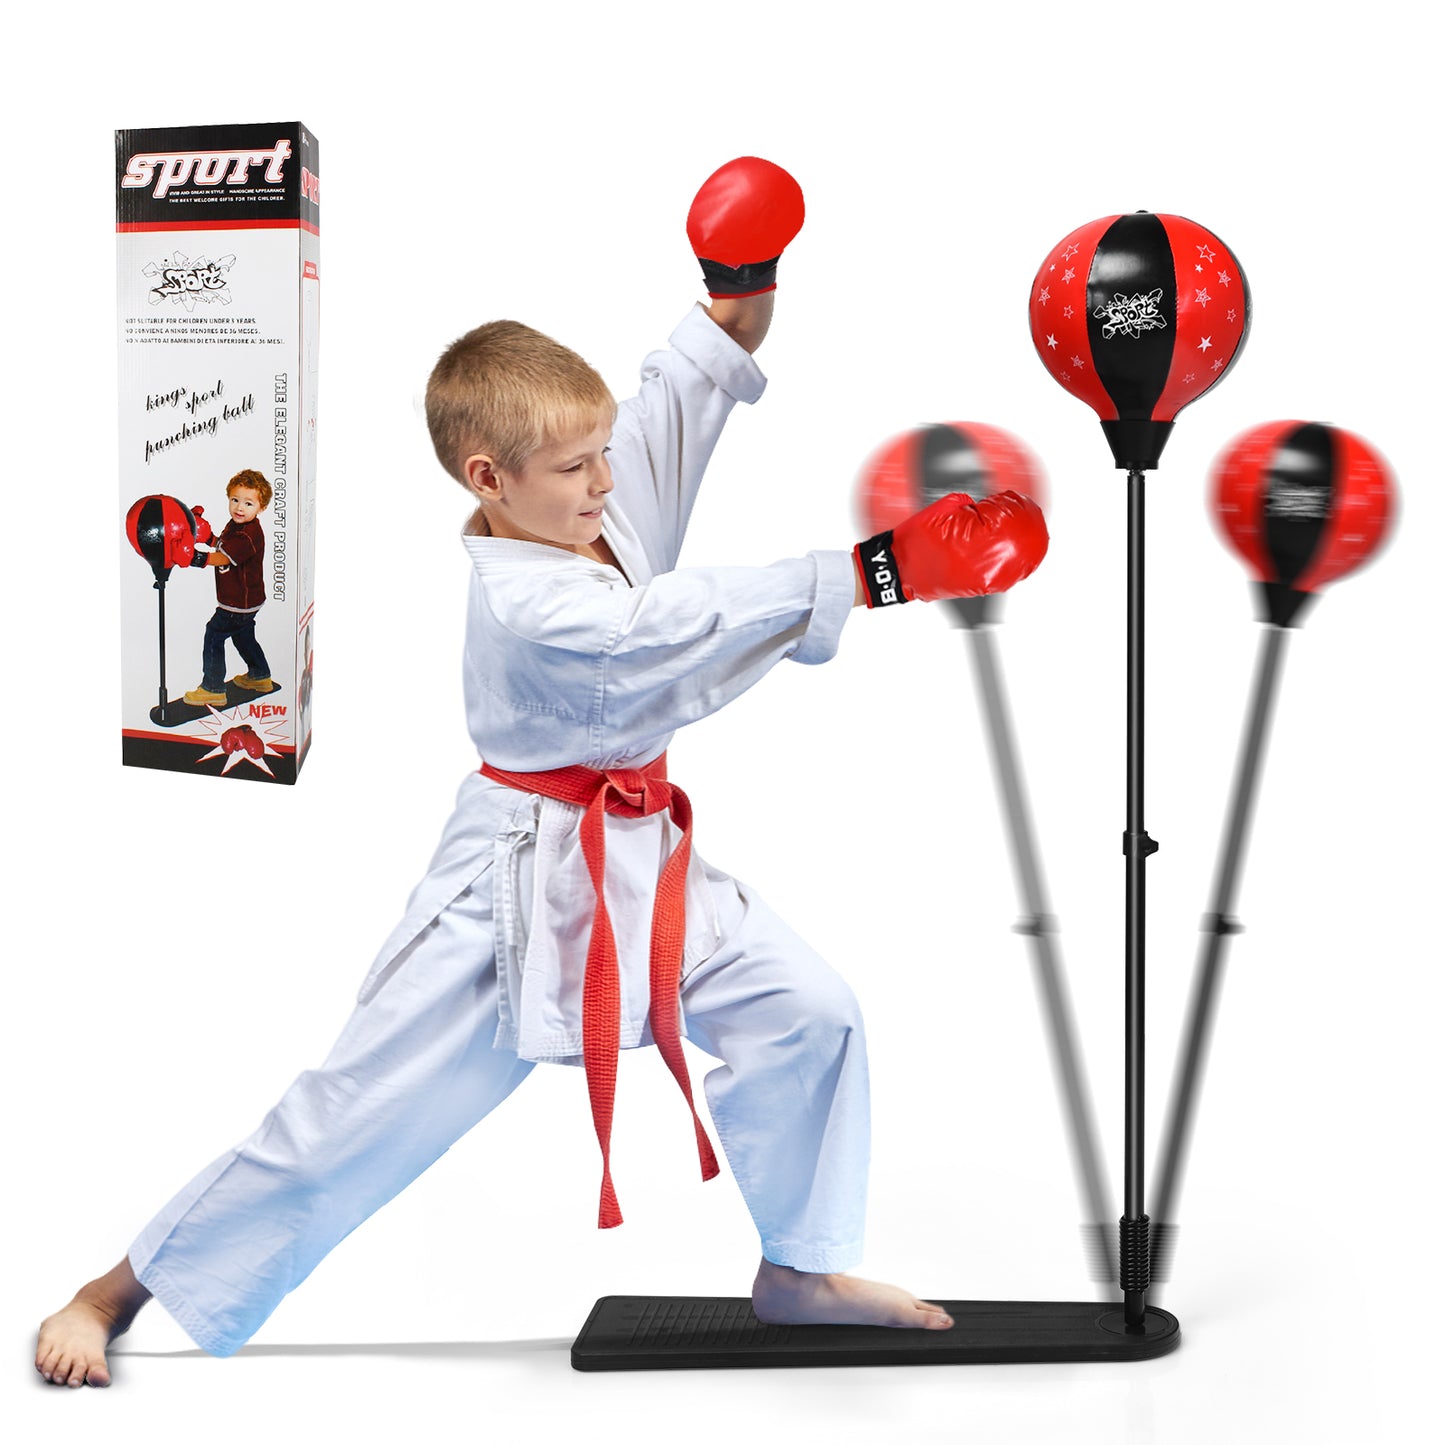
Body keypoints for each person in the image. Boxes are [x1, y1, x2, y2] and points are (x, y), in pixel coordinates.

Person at [36, 159, 1047, 1388]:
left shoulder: (587, 501)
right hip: (509, 891)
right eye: (574, 469)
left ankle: (801, 1267)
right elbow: (665, 624)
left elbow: (691, 380)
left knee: (809, 1010)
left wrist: (740, 282)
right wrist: (876, 571)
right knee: (349, 1115)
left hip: (641, 859)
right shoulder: (528, 600)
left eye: (602, 456)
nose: (604, 484)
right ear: (488, 479)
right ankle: (111, 1289)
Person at [183, 468, 273, 706]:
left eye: (248, 503)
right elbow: (224, 546)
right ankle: (260, 676)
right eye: (235, 500)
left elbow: (224, 557)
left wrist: (195, 558)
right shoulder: (235, 525)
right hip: (245, 601)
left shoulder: (250, 534)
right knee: (243, 636)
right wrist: (208, 538)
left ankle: (213, 688)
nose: (239, 508)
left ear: (262, 507)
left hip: (239, 602)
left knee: (214, 634)